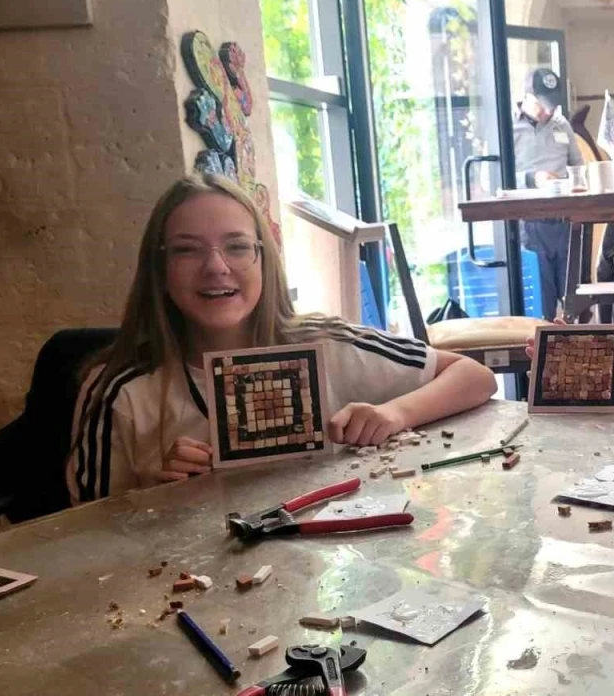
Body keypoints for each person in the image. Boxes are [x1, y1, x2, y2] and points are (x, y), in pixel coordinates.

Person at [67, 174, 498, 503]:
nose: (216, 266)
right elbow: (89, 536)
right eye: (186, 249)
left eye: (237, 246)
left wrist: (395, 412)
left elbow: (474, 376)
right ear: (159, 268)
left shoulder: (327, 345)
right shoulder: (117, 390)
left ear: (263, 258)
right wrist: (151, 496)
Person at [513, 67, 584, 320]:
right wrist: (532, 178)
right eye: (543, 105)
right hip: (529, 225)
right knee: (541, 305)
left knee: (574, 301)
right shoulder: (508, 128)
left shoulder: (562, 125)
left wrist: (576, 182)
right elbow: (491, 178)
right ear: (527, 97)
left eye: (553, 105)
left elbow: (578, 165)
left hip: (565, 223)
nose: (549, 111)